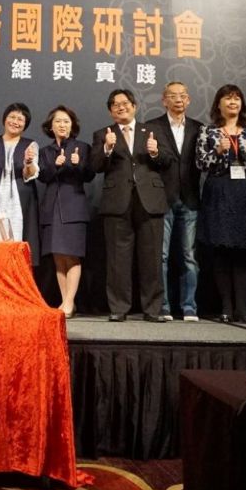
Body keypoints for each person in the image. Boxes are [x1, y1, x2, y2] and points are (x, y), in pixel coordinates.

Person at [89, 88, 174, 322]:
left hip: (150, 200)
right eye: (115, 104)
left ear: (134, 106)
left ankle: (153, 309)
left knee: (152, 257)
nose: (121, 107)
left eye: (125, 103)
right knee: (118, 259)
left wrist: (155, 153)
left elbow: (168, 161)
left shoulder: (153, 130)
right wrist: (107, 148)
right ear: (110, 111)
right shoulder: (103, 134)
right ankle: (118, 308)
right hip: (117, 202)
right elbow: (95, 166)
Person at [196, 84, 246, 323]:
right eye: (228, 99)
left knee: (244, 251)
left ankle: (242, 308)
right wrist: (218, 151)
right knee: (221, 250)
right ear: (218, 104)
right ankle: (226, 308)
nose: (233, 103)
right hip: (220, 190)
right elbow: (201, 164)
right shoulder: (208, 131)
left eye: (237, 99)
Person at [143, 81, 203, 322]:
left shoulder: (199, 128)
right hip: (162, 198)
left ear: (188, 100)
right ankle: (163, 306)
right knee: (162, 256)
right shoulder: (151, 127)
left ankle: (189, 307)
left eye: (183, 95)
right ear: (164, 100)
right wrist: (155, 153)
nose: (178, 99)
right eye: (173, 95)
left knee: (189, 256)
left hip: (190, 198)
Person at [38, 105, 93, 318]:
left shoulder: (82, 147)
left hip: (74, 207)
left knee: (72, 256)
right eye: (58, 121)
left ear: (72, 126)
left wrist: (77, 165)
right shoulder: (45, 151)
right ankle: (66, 301)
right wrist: (55, 165)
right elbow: (43, 176)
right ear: (51, 126)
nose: (62, 125)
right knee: (58, 257)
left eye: (66, 121)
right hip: (51, 208)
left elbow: (89, 175)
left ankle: (69, 302)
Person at [0, 103, 39, 252]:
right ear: (4, 119)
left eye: (20, 119)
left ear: (25, 124)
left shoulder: (30, 145)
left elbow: (30, 174)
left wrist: (29, 162)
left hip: (19, 201)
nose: (15, 122)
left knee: (18, 242)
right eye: (12, 117)